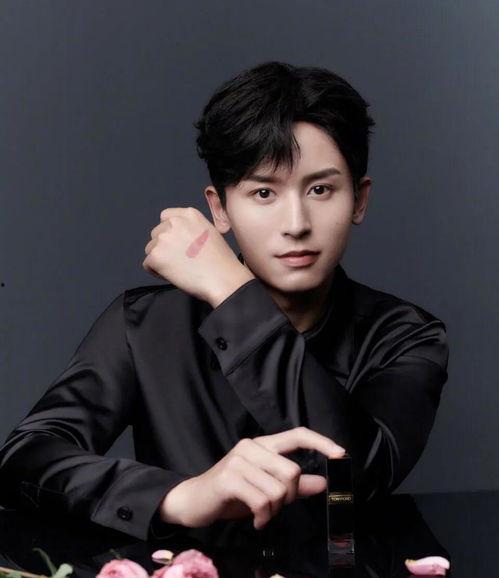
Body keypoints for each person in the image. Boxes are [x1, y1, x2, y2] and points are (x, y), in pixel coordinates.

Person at [0, 61, 449, 542]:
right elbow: (24, 459)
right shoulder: (143, 325)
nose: (296, 223)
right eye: (263, 192)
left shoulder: (406, 335)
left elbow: (360, 475)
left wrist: (232, 291)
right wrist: (180, 496)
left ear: (358, 200)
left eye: (321, 189)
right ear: (220, 208)